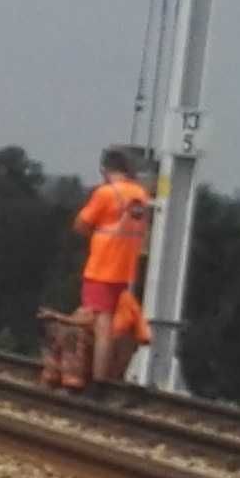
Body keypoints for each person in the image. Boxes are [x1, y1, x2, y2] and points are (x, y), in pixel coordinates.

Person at [70, 146, 156, 387]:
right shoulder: (140, 195)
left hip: (102, 266)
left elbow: (81, 224)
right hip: (125, 268)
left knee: (102, 325)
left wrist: (95, 233)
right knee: (112, 323)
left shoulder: (106, 193)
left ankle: (97, 380)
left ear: (104, 169)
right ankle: (106, 375)